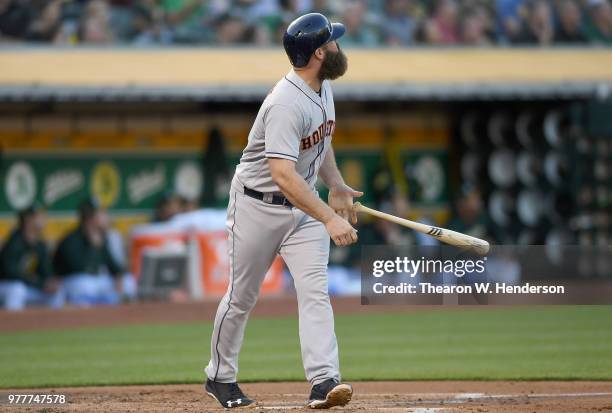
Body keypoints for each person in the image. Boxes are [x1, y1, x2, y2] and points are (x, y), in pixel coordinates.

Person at [204, 13, 359, 410]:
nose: (341, 46)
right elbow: (283, 175)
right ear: (319, 53)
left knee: (315, 291)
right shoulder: (285, 103)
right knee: (242, 296)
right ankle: (219, 378)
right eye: (334, 42)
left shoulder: (322, 88)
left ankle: (324, 380)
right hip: (258, 205)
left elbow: (320, 142)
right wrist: (328, 215)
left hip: (302, 209)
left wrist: (337, 184)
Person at [53, 197, 135, 306]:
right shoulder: (71, 239)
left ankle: (116, 310)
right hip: (72, 281)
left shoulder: (101, 237)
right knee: (85, 284)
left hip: (95, 281)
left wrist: (118, 276)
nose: (104, 217)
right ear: (90, 218)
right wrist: (93, 248)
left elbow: (112, 265)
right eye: (99, 214)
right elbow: (80, 268)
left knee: (128, 281)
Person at [0, 204, 63, 311]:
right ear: (28, 220)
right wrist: (40, 284)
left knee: (56, 291)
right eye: (38, 216)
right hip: (6, 286)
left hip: (29, 286)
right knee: (17, 289)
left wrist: (50, 281)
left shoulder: (40, 244)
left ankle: (52, 326)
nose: (43, 219)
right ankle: (11, 325)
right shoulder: (14, 242)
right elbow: (12, 273)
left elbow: (46, 269)